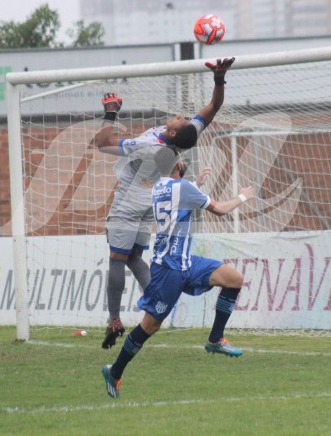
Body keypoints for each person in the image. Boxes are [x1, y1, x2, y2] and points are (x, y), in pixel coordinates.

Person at [93, 57, 235, 349]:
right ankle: (159, 305)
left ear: (172, 133)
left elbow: (103, 142)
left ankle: (114, 319)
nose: (182, 117)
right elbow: (214, 107)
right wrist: (219, 79)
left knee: (117, 258)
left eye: (181, 120)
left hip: (129, 202)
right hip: (151, 202)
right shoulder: (183, 137)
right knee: (134, 257)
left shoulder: (150, 145)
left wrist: (111, 112)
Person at [101, 147, 255, 398]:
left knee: (234, 279)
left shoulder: (160, 187)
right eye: (181, 159)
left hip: (186, 262)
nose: (184, 162)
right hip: (168, 269)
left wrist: (196, 183)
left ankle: (215, 340)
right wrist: (243, 196)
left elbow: (177, 197)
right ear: (177, 165)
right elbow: (220, 209)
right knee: (150, 326)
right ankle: (115, 371)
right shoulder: (182, 188)